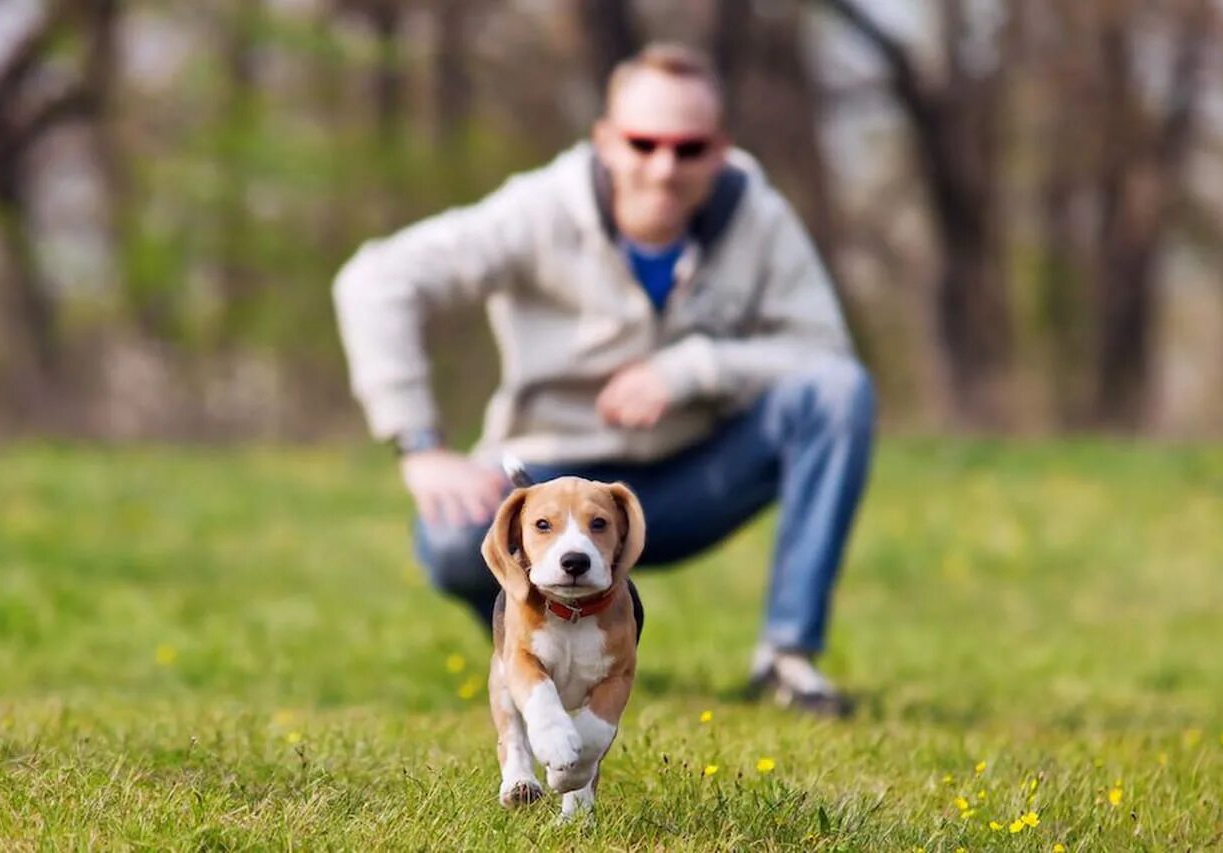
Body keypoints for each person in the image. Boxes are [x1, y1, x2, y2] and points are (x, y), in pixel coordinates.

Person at [333, 42, 875, 716]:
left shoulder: (758, 216)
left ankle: (787, 659)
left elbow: (825, 352)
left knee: (837, 394)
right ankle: (531, 645)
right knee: (448, 540)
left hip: (692, 479)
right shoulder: (540, 208)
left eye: (689, 148)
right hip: (551, 472)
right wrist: (418, 441)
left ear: (720, 147)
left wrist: (692, 368)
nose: (664, 167)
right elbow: (375, 278)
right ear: (607, 142)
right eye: (644, 143)